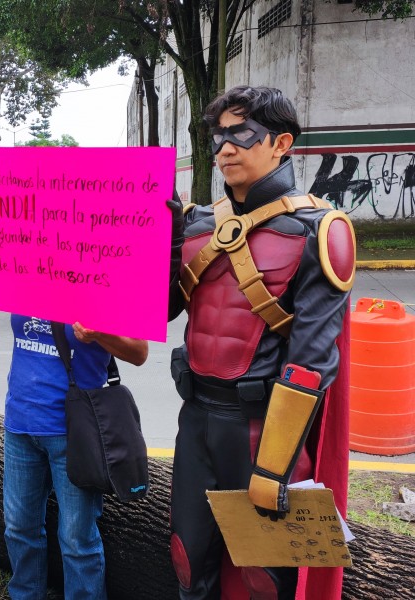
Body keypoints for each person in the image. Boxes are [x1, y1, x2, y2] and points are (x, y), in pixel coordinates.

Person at [166, 86, 355, 599]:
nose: (225, 148)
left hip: (263, 431)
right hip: (197, 422)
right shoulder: (198, 223)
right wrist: (160, 246)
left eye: (242, 133)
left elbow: (312, 362)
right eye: (219, 135)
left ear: (281, 143)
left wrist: (273, 466)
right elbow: (161, 311)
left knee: (265, 584)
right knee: (188, 563)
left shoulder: (321, 229)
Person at [0, 205, 148, 600]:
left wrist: (99, 334)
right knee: (19, 526)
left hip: (74, 431)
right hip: (20, 423)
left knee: (77, 537)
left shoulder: (104, 277)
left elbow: (139, 351)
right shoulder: (24, 267)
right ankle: (25, 593)